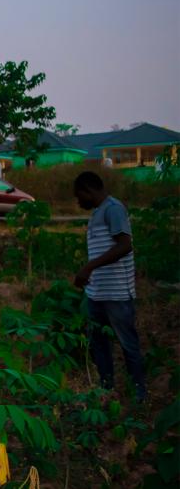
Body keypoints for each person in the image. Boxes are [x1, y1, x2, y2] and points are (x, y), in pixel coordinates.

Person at [72, 171, 147, 403]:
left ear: (89, 190)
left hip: (117, 294)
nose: (78, 201)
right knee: (99, 344)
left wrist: (89, 267)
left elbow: (125, 246)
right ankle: (106, 390)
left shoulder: (113, 208)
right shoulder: (98, 212)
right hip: (97, 293)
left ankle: (140, 394)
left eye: (79, 196)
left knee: (127, 344)